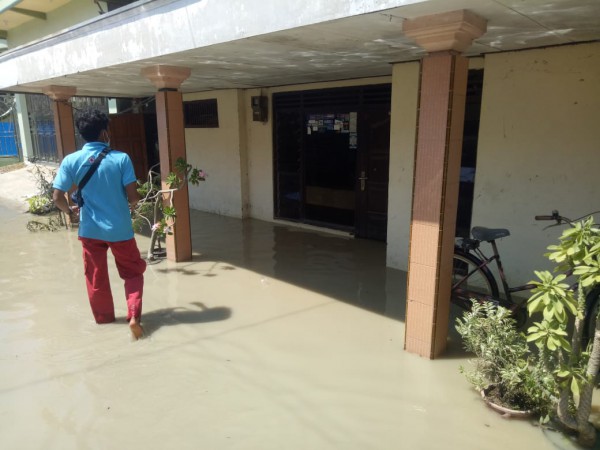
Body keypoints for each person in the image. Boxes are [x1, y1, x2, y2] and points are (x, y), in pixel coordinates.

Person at [52, 109, 146, 340]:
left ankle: (104, 322)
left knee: (96, 278)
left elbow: (57, 197)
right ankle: (133, 316)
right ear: (105, 132)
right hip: (120, 230)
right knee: (133, 273)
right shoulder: (121, 158)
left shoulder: (70, 160)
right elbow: (133, 198)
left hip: (90, 231)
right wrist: (133, 207)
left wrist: (71, 213)